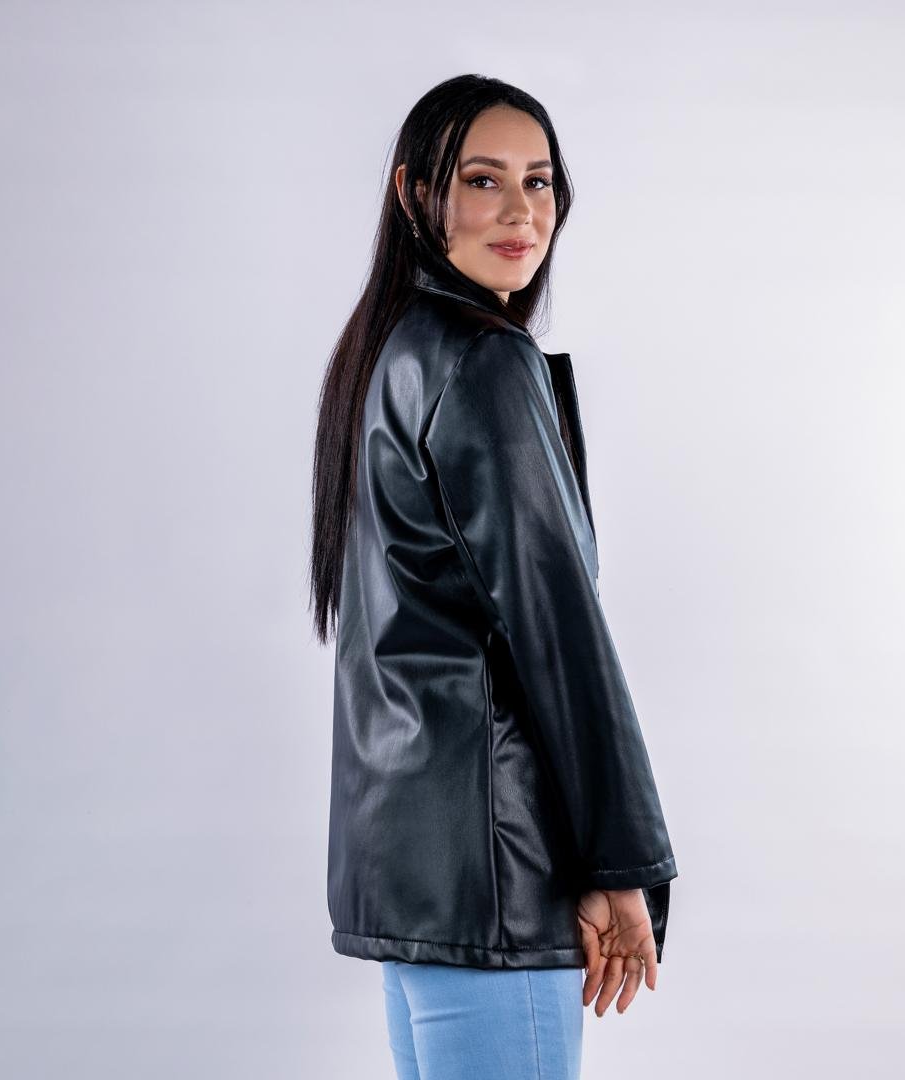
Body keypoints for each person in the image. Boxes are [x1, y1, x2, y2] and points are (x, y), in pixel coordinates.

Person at [309, 74, 678, 1080]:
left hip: (420, 877)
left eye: (539, 181)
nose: (521, 212)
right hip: (498, 880)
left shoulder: (394, 350)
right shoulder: (481, 362)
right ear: (414, 194)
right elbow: (556, 632)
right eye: (483, 180)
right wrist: (620, 862)